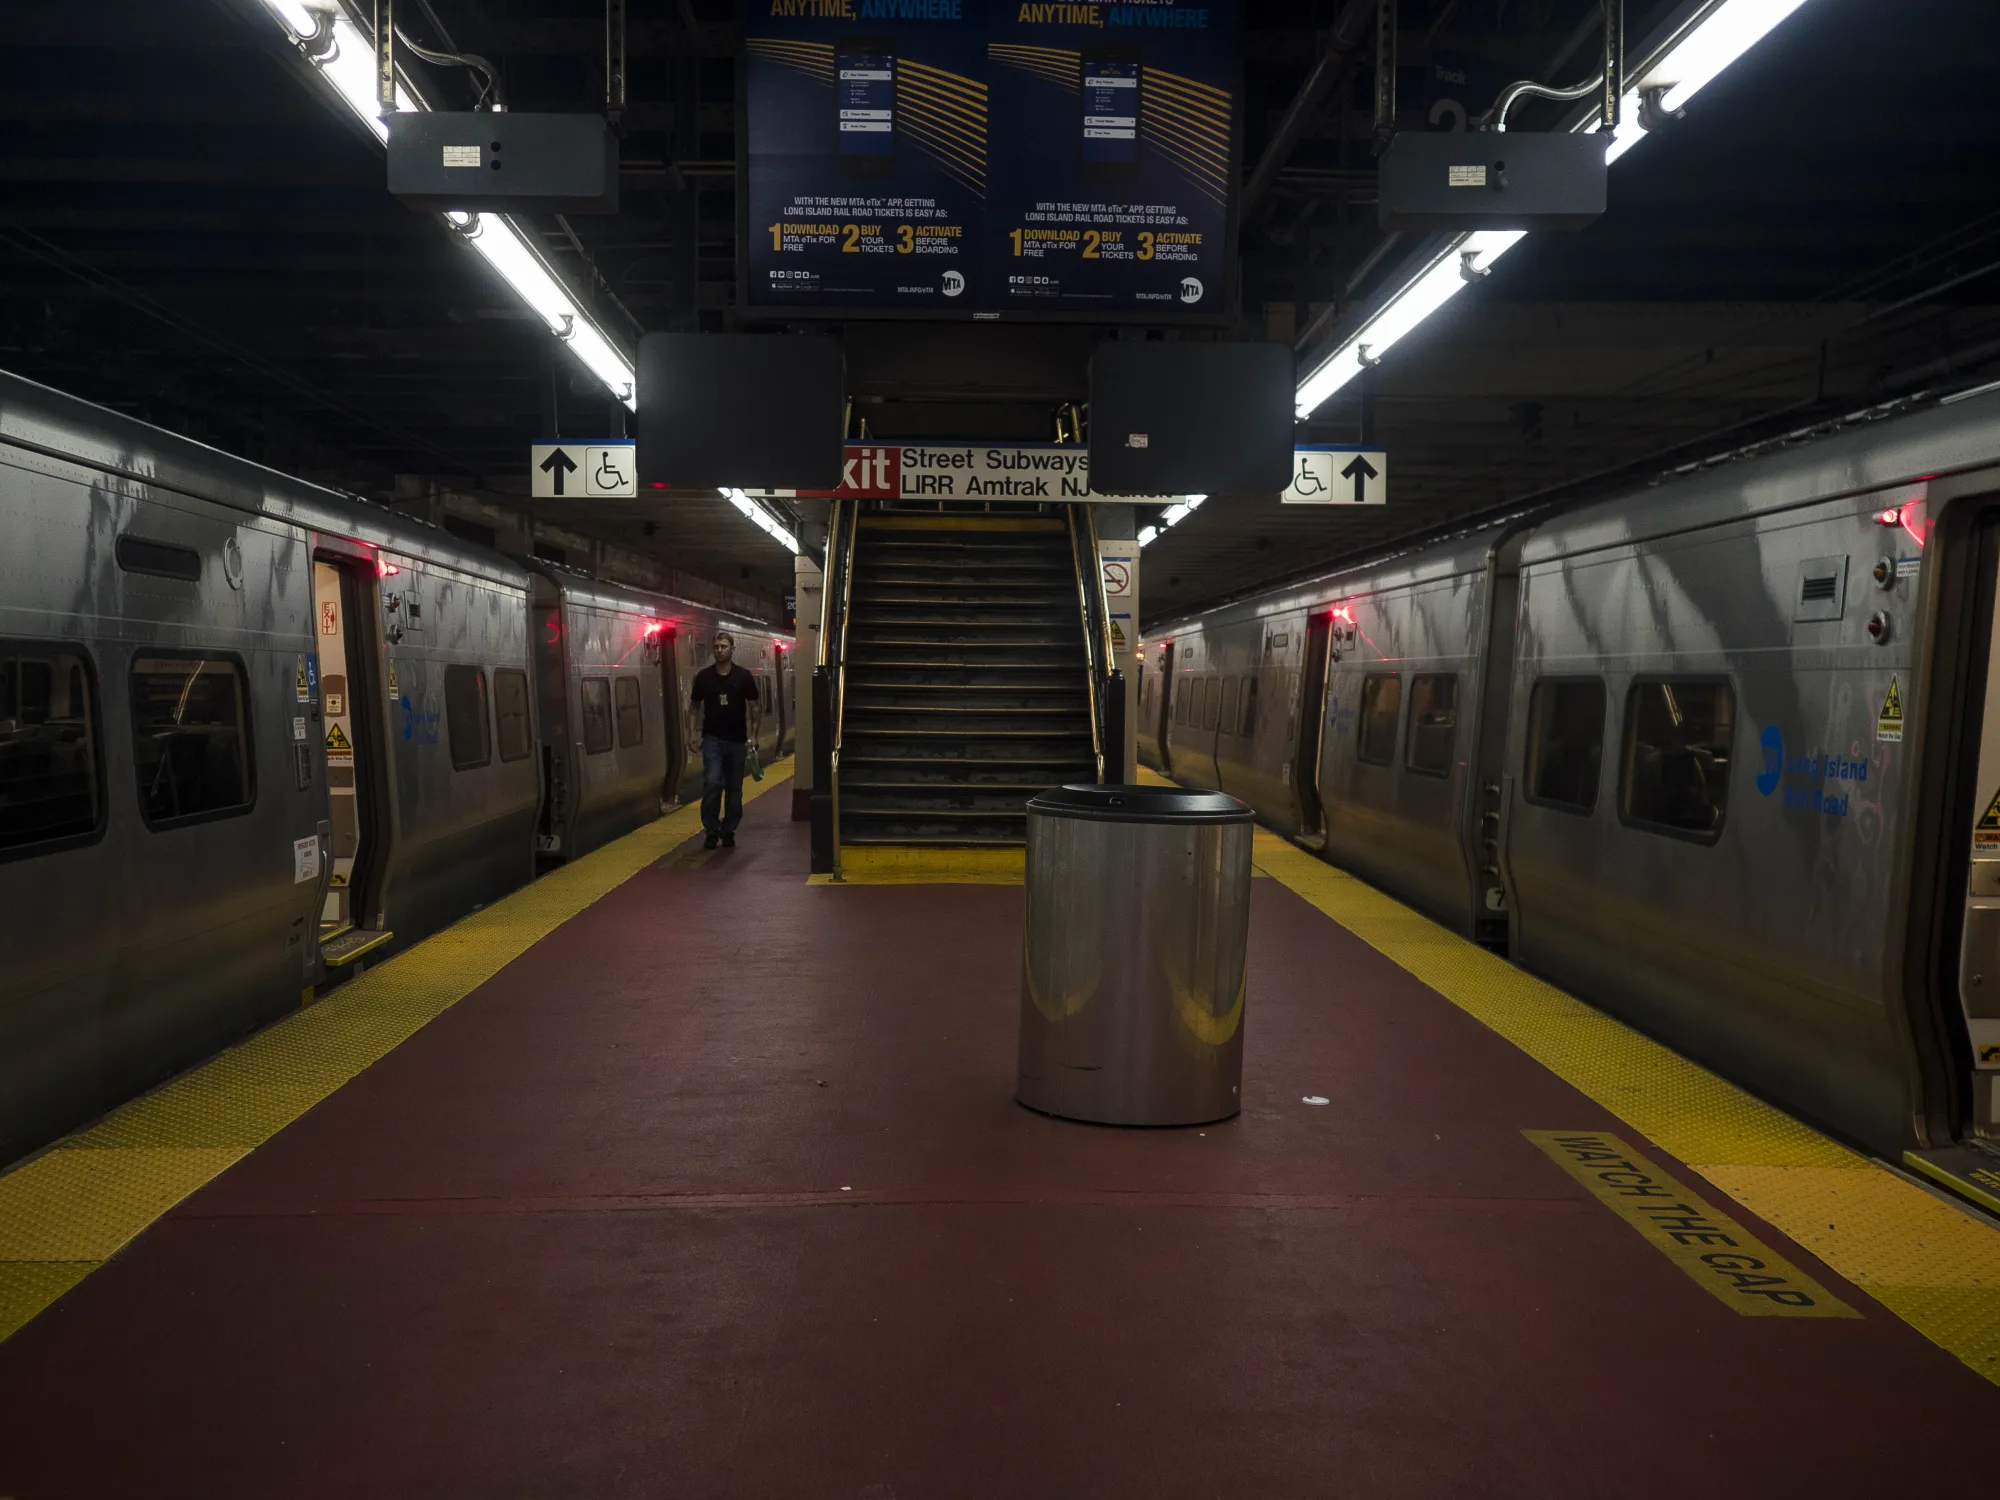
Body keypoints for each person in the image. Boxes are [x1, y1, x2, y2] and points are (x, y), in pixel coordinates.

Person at [686, 630, 761, 848]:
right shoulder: (704, 677)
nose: (720, 650)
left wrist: (754, 735)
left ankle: (728, 829)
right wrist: (691, 734)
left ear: (732, 649)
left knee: (734, 787)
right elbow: (693, 708)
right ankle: (711, 828)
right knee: (712, 780)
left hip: (737, 740)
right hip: (712, 739)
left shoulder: (744, 677)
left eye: (724, 646)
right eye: (717, 646)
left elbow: (754, 707)